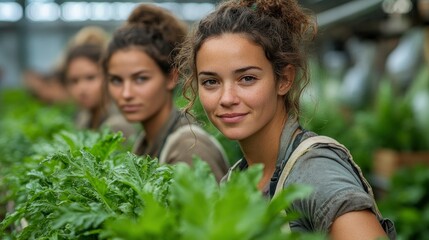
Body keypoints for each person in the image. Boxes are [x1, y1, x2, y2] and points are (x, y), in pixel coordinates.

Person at [177, 0, 396, 238]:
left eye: (247, 78)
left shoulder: (315, 170)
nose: (227, 98)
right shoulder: (236, 180)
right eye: (211, 82)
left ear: (284, 79)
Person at [101, 4, 229, 182]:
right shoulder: (145, 142)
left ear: (171, 77)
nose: (126, 93)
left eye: (141, 79)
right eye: (116, 80)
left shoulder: (189, 149)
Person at [62, 43, 136, 138]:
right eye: (74, 81)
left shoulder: (117, 126)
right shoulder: (82, 119)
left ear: (108, 76)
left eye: (90, 78)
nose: (82, 88)